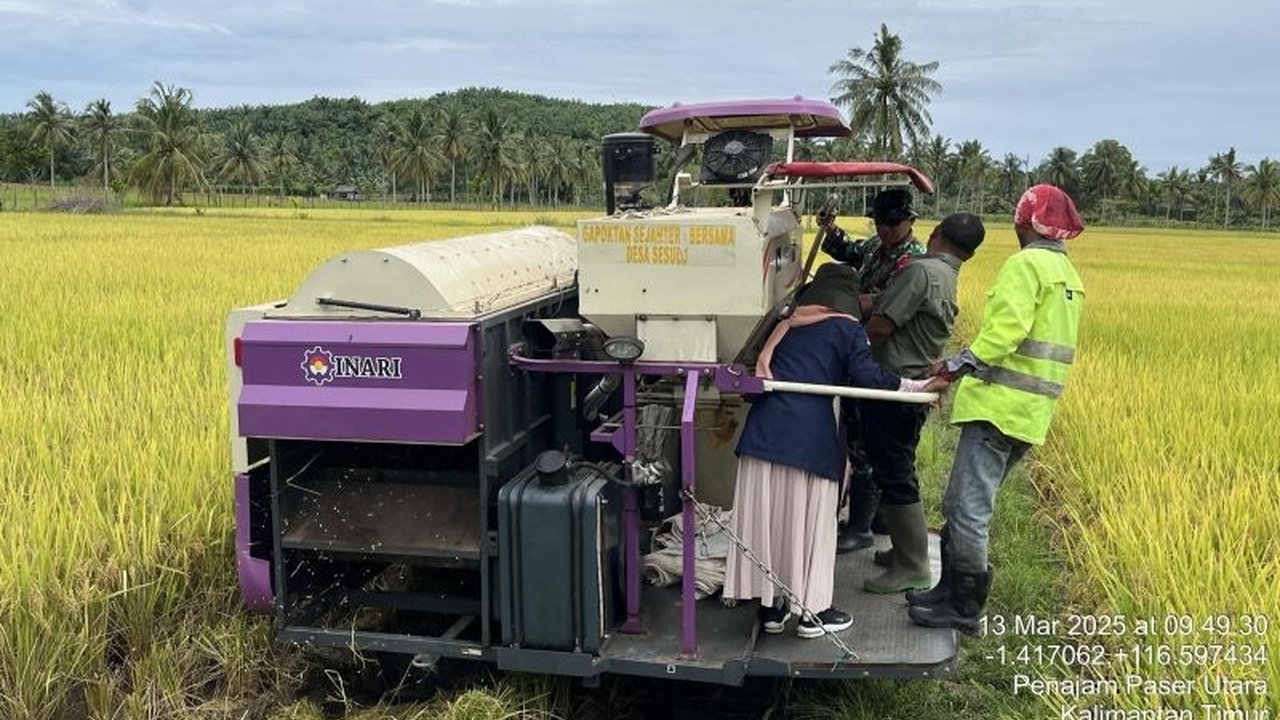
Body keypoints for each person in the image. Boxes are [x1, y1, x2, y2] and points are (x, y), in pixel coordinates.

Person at [724, 263, 948, 638]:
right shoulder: (846, 329)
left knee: (768, 524)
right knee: (809, 526)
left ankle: (771, 610)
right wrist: (922, 387)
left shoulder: (782, 326)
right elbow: (871, 379)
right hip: (807, 442)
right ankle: (813, 613)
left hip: (761, 439)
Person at [908, 185, 1085, 633]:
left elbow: (1006, 333)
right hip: (1030, 414)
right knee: (959, 502)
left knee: (968, 508)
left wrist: (952, 365)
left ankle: (964, 607)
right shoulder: (1067, 275)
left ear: (1024, 222)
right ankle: (948, 591)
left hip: (998, 408)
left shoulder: (1027, 265)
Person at [859, 213, 986, 594]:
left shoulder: (921, 271)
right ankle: (902, 550)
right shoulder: (946, 274)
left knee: (894, 470)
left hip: (896, 388)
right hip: (915, 387)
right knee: (895, 466)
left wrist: (846, 347)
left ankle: (912, 565)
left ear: (935, 234)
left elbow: (881, 325)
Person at [818, 187, 927, 554]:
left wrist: (845, 326)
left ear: (910, 220)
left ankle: (861, 527)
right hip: (868, 352)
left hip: (881, 355)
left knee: (866, 443)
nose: (886, 230)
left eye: (894, 223)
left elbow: (881, 309)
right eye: (880, 223)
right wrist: (830, 231)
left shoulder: (912, 262)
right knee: (875, 443)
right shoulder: (877, 250)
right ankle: (880, 517)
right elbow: (850, 252)